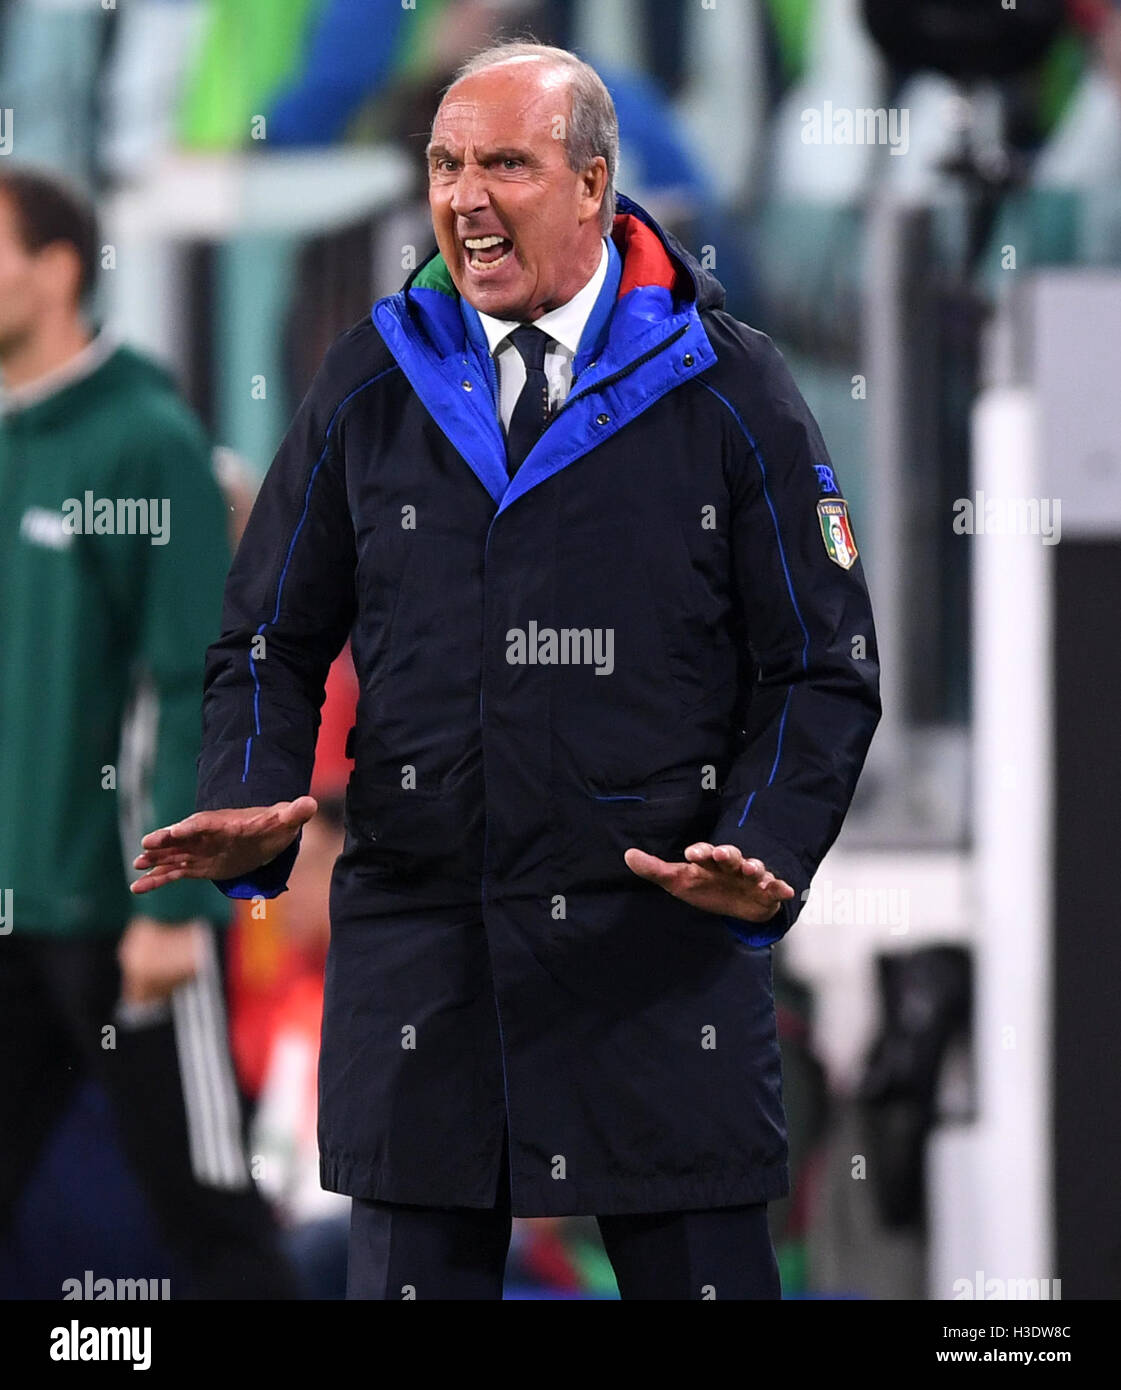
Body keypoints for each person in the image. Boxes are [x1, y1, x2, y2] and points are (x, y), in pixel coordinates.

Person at [132, 40, 881, 1300]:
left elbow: (823, 662)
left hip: (658, 950)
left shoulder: (731, 382)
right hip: (426, 954)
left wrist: (765, 845)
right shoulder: (371, 376)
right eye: (444, 163)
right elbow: (266, 633)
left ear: (592, 185)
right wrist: (254, 795)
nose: (464, 196)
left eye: (505, 164)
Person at [0, 166, 296, 1298]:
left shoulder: (148, 441)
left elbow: (197, 684)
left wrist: (173, 906)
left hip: (125, 916)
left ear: (57, 268)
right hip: (11, 910)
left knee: (207, 1209)